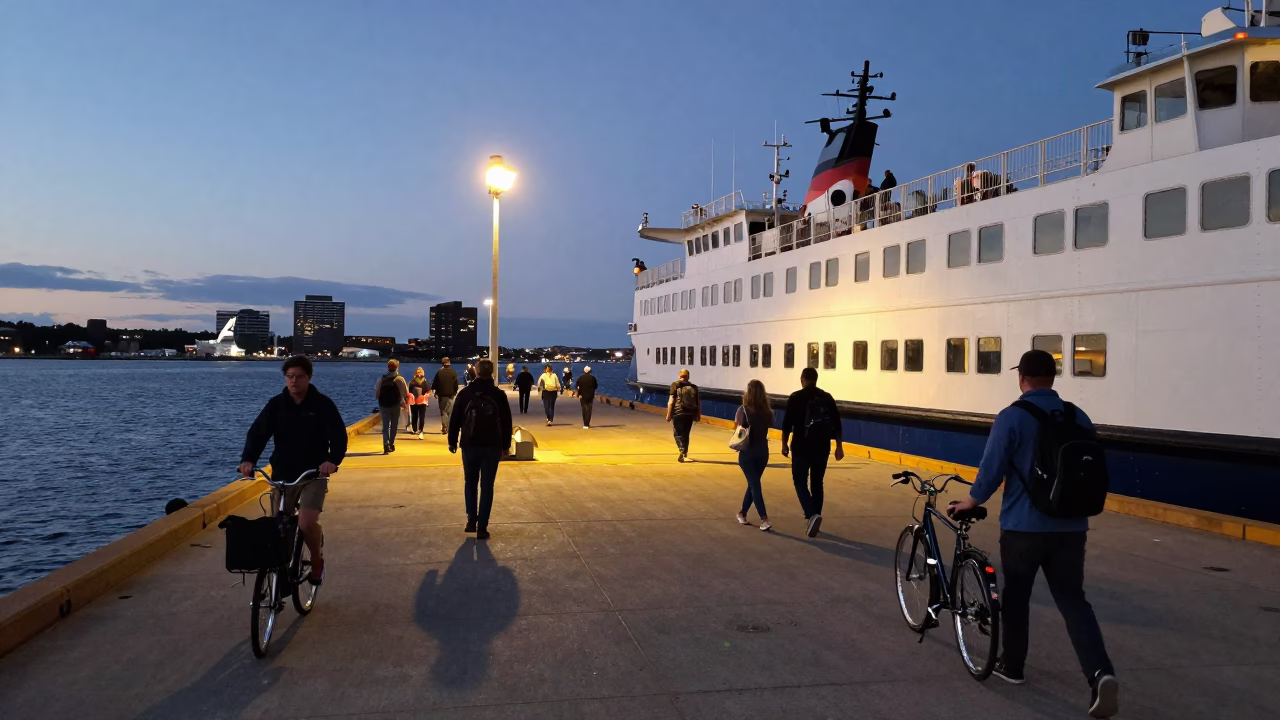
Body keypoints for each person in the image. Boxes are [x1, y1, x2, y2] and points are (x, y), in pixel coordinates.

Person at [947, 350, 1118, 718]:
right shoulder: (1078, 415)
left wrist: (972, 500)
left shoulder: (1012, 417)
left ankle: (1014, 666)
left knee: (1017, 597)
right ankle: (1100, 674)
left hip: (1024, 527)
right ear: (1053, 378)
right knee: (1074, 601)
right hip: (1072, 526)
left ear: (1021, 378)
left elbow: (992, 468)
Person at [239, 355, 346, 584]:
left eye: (299, 376)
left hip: (313, 474)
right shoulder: (276, 404)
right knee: (278, 525)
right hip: (282, 474)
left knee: (306, 523)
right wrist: (248, 459)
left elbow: (338, 436)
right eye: (289, 376)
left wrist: (332, 460)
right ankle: (282, 566)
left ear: (309, 377)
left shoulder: (322, 404)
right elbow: (258, 433)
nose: (294, 381)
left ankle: (316, 559)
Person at [448, 359, 513, 540]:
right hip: (492, 445)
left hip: (469, 444)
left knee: (470, 482)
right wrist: (506, 446)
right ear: (492, 373)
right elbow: (507, 423)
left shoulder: (465, 393)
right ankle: (482, 527)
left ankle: (471, 521)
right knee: (487, 486)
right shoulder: (499, 395)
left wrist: (452, 441)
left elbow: (455, 420)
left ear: (475, 372)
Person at [780, 367, 844, 537]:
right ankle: (816, 518)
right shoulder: (827, 397)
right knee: (817, 482)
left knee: (799, 481)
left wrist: (784, 444)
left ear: (802, 380)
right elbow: (837, 423)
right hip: (822, 447)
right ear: (816, 379)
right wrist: (839, 446)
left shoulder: (796, 397)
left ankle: (812, 514)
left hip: (801, 446)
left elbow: (787, 423)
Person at [734, 379, 772, 531]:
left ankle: (764, 519)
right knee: (753, 484)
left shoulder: (742, 410)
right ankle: (742, 513)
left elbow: (738, 431)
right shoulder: (768, 412)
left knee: (754, 485)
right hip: (763, 452)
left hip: (747, 453)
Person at [375, 358, 409, 454]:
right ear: (397, 367)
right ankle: (391, 444)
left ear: (387, 367)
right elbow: (407, 393)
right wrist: (404, 401)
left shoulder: (381, 378)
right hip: (395, 405)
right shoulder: (400, 379)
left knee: (385, 426)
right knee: (394, 425)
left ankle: (385, 444)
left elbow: (377, 394)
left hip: (383, 405)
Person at [666, 369, 700, 462]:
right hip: (690, 413)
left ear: (679, 375)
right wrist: (698, 415)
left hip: (678, 412)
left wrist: (668, 414)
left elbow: (671, 401)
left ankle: (681, 449)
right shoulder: (694, 387)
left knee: (677, 433)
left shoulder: (675, 385)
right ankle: (685, 455)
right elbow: (698, 402)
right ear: (688, 376)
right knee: (686, 434)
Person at [432, 357, 461, 435]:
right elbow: (456, 384)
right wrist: (455, 392)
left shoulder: (439, 373)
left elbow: (435, 384)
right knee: (450, 412)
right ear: (449, 363)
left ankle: (445, 427)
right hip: (451, 395)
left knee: (443, 412)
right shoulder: (453, 372)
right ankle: (449, 427)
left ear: (442, 364)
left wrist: (435, 392)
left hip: (441, 395)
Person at [408, 366, 431, 439]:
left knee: (422, 417)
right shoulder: (412, 382)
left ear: (422, 373)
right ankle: (415, 429)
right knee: (414, 416)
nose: (419, 374)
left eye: (420, 372)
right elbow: (409, 391)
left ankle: (421, 430)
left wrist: (427, 396)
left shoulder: (425, 382)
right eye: (418, 372)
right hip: (414, 401)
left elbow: (428, 391)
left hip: (422, 401)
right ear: (415, 373)